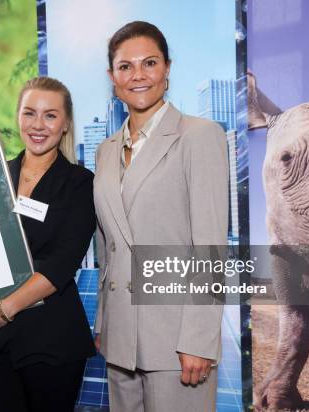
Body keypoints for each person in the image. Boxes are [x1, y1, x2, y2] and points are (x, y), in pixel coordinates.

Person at [93, 21, 228, 411]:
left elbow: (211, 247)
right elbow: (107, 247)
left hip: (176, 341)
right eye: (125, 66)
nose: (137, 75)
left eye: (149, 63)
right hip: (120, 337)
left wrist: (199, 340)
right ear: (111, 76)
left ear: (167, 69)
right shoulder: (105, 151)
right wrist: (103, 323)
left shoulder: (198, 135)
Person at [0, 76, 96, 412]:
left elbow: (62, 263)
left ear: (65, 124)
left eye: (50, 115)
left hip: (50, 340)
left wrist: (4, 310)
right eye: (29, 113)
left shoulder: (79, 184)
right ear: (18, 118)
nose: (38, 125)